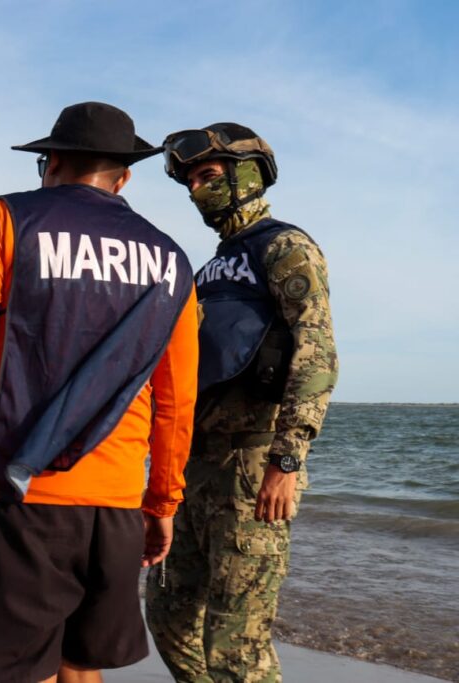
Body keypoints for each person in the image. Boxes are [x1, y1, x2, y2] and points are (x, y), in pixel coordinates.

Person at [0, 102, 199, 683]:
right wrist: (163, 501)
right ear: (125, 175)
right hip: (114, 504)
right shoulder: (171, 259)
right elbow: (176, 399)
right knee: (83, 667)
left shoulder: (7, 220)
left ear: (52, 160)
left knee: (13, 670)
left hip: (23, 494)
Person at [144, 123, 339, 682]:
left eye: (207, 176)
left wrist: (287, 460)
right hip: (193, 467)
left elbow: (317, 351)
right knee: (169, 616)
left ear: (245, 175)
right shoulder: (207, 271)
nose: (196, 190)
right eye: (190, 181)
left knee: (237, 644)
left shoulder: (286, 247)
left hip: (254, 466)